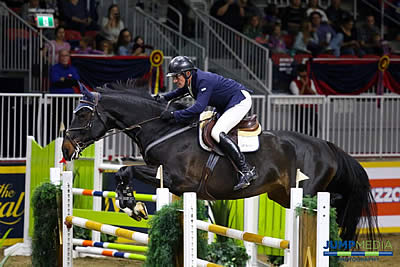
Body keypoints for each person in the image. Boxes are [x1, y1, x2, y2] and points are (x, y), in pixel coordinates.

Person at [155, 56, 257, 191]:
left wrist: (174, 115)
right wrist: (163, 97)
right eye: (173, 77)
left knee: (216, 132)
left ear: (187, 74)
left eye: (176, 77)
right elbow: (179, 92)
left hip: (240, 100)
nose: (174, 80)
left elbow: (198, 108)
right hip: (225, 104)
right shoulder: (192, 80)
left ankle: (246, 170)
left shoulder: (203, 80)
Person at [289, 64, 318, 137]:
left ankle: (312, 140)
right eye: (302, 76)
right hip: (300, 108)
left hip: (311, 107)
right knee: (302, 127)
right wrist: (304, 85)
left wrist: (307, 87)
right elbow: (298, 96)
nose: (304, 78)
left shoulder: (310, 81)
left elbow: (315, 94)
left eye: (305, 76)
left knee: (314, 127)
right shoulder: (293, 83)